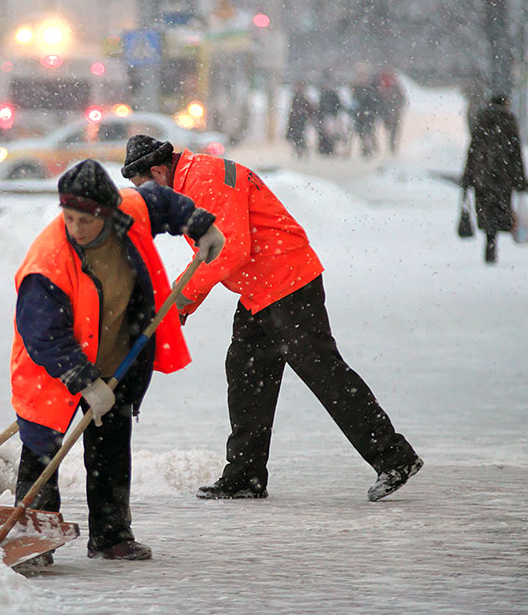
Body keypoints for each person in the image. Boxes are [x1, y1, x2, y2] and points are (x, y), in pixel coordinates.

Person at [121, 135, 423, 503]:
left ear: (157, 170)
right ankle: (245, 475)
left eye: (144, 187)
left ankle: (394, 457)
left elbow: (227, 249)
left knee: (322, 371)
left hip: (286, 280)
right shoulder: (193, 177)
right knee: (247, 372)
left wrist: (180, 303)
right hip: (259, 287)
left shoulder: (204, 180)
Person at [11, 159, 224, 563]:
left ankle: (110, 535)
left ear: (106, 212)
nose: (75, 228)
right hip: (53, 367)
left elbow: (161, 202)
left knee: (110, 448)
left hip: (117, 355)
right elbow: (43, 336)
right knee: (42, 448)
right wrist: (85, 381)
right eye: (68, 217)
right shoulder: (48, 262)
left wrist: (201, 226)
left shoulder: (129, 213)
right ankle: (31, 537)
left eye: (84, 220)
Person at [460, 94, 528, 265]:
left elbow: (473, 151)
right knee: (500, 209)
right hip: (503, 176)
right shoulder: (509, 121)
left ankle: (489, 238)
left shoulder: (482, 121)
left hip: (482, 176)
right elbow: (516, 153)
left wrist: (467, 177)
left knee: (486, 209)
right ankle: (493, 240)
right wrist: (520, 179)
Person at [349, 68, 381, 158]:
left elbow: (374, 103)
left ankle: (368, 148)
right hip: (359, 115)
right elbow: (354, 102)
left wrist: (370, 112)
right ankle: (365, 147)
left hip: (368, 115)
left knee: (368, 132)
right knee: (360, 132)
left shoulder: (370, 89)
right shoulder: (356, 89)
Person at [376, 69, 407, 155]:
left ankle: (390, 146)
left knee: (390, 130)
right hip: (390, 113)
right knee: (392, 130)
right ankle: (391, 146)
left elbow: (401, 100)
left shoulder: (383, 88)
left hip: (390, 113)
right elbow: (402, 99)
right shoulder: (395, 88)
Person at [285, 82, 315, 157]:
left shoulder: (303, 99)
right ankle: (298, 151)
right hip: (296, 120)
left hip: (300, 120)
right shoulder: (296, 98)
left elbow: (309, 109)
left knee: (300, 136)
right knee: (296, 137)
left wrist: (306, 117)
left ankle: (302, 151)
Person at [315, 76, 343, 156]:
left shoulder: (332, 95)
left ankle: (330, 148)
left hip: (331, 117)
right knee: (325, 133)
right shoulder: (324, 95)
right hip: (325, 116)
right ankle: (325, 148)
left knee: (331, 133)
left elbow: (338, 106)